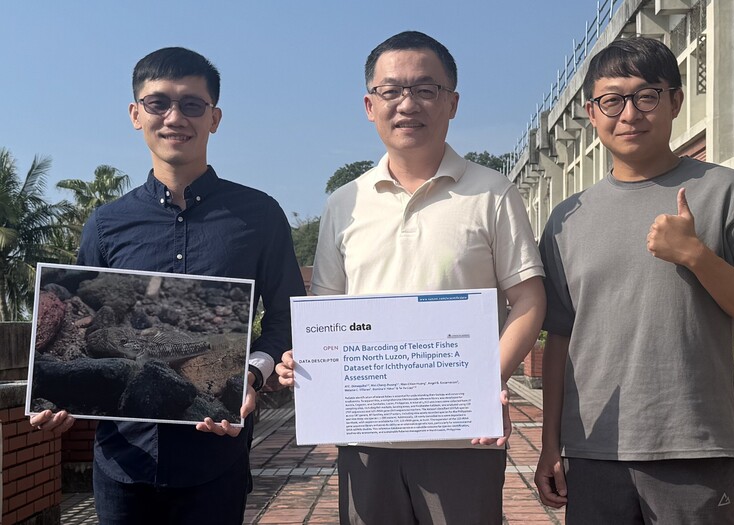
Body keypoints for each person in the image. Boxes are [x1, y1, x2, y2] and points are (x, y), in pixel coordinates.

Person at [275, 31, 546, 524]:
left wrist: (486, 381)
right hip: (366, 439)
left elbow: (529, 300)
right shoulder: (345, 203)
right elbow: (327, 312)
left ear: (452, 103)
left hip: (462, 437)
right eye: (391, 91)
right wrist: (308, 361)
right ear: (369, 105)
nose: (407, 104)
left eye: (425, 89)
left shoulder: (493, 194)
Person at [29, 47, 305, 524]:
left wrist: (251, 374)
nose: (175, 117)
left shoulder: (259, 216)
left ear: (214, 118)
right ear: (136, 114)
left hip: (217, 456)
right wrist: (56, 394)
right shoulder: (106, 224)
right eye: (158, 103)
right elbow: (78, 316)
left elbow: (287, 317)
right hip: (121, 459)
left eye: (192, 104)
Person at [534, 37, 734, 524]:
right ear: (592, 113)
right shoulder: (568, 218)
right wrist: (550, 444)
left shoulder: (725, 191)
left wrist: (696, 256)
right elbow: (560, 339)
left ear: (675, 101)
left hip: (695, 445)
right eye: (612, 100)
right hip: (594, 448)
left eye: (646, 96)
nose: (629, 114)